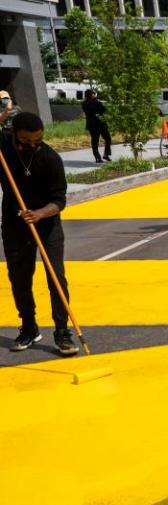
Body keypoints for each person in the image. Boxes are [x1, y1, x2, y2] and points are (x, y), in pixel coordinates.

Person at [1, 112, 78, 355]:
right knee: (19, 278)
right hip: (14, 224)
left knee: (56, 277)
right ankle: (28, 327)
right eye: (26, 141)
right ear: (14, 135)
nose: (32, 145)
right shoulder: (3, 146)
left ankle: (62, 331)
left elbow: (59, 200)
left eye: (38, 140)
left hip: (47, 224)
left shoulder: (50, 158)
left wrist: (40, 213)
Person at [82, 89, 111, 163]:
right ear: (91, 95)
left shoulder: (84, 103)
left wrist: (97, 100)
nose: (95, 95)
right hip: (100, 124)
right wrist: (98, 101)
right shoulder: (95, 102)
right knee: (107, 138)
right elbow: (103, 110)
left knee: (95, 141)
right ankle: (105, 154)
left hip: (92, 125)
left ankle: (98, 157)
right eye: (93, 94)